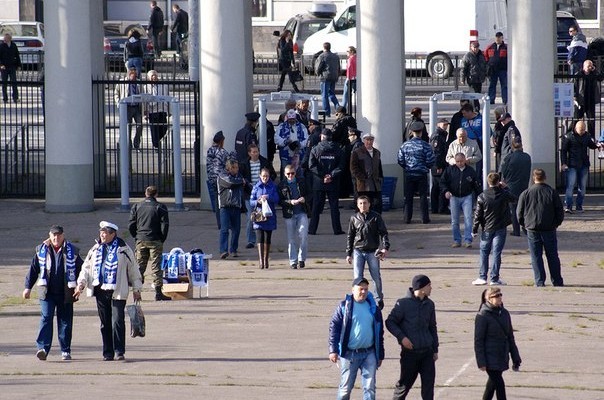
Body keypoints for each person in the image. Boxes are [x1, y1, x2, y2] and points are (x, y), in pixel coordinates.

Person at [75, 221, 143, 361]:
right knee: (105, 322)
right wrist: (80, 285)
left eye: (105, 232)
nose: (102, 235)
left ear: (113, 234)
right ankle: (108, 352)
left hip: (118, 290)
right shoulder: (95, 249)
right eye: (101, 232)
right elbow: (86, 269)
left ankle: (119, 351)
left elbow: (134, 270)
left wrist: (137, 288)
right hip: (100, 290)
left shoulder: (123, 249)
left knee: (117, 320)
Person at [23, 225, 84, 361]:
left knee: (65, 321)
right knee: (46, 317)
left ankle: (65, 350)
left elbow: (82, 269)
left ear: (63, 236)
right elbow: (33, 270)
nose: (56, 238)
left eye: (59, 235)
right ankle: (43, 348)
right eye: (54, 235)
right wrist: (27, 287)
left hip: (66, 292)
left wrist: (80, 286)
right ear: (50, 236)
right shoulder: (41, 250)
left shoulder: (72, 251)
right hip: (47, 292)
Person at [328, 277, 385, 400]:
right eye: (360, 289)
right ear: (353, 290)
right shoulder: (344, 307)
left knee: (370, 389)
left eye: (366, 289)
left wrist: (380, 354)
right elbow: (334, 328)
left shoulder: (373, 308)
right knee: (345, 389)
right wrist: (333, 350)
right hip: (350, 354)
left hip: (369, 353)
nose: (363, 292)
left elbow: (380, 333)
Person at [386, 274, 438, 400]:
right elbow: (390, 322)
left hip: (427, 352)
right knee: (404, 386)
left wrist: (435, 349)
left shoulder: (430, 304)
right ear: (421, 287)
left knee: (428, 389)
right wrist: (402, 337)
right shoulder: (403, 304)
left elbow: (432, 327)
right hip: (410, 353)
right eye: (429, 285)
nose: (431, 288)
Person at [517, 169, 565, 287]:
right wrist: (556, 223)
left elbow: (519, 213)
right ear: (545, 177)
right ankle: (557, 280)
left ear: (534, 178)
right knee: (552, 255)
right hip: (549, 228)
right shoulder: (551, 192)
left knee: (536, 256)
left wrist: (524, 225)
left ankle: (539, 281)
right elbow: (559, 210)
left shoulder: (526, 193)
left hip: (532, 228)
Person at [474, 287, 522, 400]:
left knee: (492, 385)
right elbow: (478, 340)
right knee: (499, 384)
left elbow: (510, 336)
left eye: (500, 295)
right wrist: (481, 361)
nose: (499, 297)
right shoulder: (483, 316)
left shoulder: (504, 313)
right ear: (488, 299)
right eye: (496, 296)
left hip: (502, 354)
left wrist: (515, 357)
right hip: (490, 356)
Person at [472, 173, 516, 286]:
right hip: (500, 227)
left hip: (487, 227)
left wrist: (474, 229)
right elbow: (514, 199)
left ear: (488, 182)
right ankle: (494, 278)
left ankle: (482, 277)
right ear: (498, 182)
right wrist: (505, 187)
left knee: (484, 252)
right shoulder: (503, 194)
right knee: (497, 253)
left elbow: (478, 214)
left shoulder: (482, 196)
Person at [346, 195, 390, 310]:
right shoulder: (354, 218)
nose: (363, 205)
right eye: (360, 203)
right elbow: (350, 236)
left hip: (372, 251)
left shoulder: (376, 217)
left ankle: (378, 299)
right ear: (357, 205)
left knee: (376, 277)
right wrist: (348, 253)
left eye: (365, 203)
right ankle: (357, 299)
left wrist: (385, 247)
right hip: (358, 251)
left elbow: (383, 233)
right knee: (357, 277)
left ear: (369, 204)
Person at [128, 185, 171, 301]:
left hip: (141, 239)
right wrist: (162, 238)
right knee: (156, 266)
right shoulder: (160, 207)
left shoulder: (137, 206)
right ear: (156, 194)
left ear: (145, 193)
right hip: (155, 240)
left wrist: (136, 236)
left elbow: (131, 224)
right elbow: (165, 225)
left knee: (139, 267)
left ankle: (137, 293)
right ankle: (158, 293)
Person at [308, 128, 345, 235]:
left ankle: (312, 229)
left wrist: (322, 175)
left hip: (319, 183)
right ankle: (337, 230)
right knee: (334, 207)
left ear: (322, 137)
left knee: (316, 207)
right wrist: (331, 175)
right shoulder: (338, 149)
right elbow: (341, 166)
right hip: (333, 183)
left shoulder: (315, 149)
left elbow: (311, 165)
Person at [397, 121, 435, 224]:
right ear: (421, 132)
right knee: (423, 197)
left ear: (411, 132)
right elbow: (431, 160)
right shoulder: (425, 145)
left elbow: (400, 160)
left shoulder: (405, 145)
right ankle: (424, 218)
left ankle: (407, 218)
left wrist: (407, 167)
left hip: (409, 174)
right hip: (422, 173)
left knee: (408, 197)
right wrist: (426, 167)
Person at [240, 143, 276, 249]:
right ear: (249, 153)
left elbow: (273, 174)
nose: (256, 154)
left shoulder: (264, 162)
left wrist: (268, 183)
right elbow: (241, 176)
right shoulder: (244, 164)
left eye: (257, 151)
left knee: (264, 216)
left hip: (263, 192)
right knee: (250, 217)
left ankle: (263, 239)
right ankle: (251, 240)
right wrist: (245, 182)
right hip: (249, 193)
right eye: (253, 152)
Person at [561, 120, 601, 213]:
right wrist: (563, 163)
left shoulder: (587, 136)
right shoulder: (569, 137)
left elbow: (591, 145)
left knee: (582, 187)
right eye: (581, 130)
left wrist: (598, 145)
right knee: (570, 186)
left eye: (584, 129)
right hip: (572, 164)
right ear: (575, 128)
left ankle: (579, 206)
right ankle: (568, 206)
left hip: (584, 164)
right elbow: (563, 151)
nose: (582, 131)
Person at [441, 153, 480, 248]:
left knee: (468, 219)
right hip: (454, 197)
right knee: (454, 220)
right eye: (457, 161)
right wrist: (446, 191)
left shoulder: (470, 171)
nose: (459, 163)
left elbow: (476, 184)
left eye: (461, 161)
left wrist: (480, 197)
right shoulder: (450, 170)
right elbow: (443, 182)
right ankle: (457, 240)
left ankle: (468, 240)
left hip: (467, 196)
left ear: (465, 160)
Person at [279, 164, 310, 269]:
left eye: (292, 173)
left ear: (295, 173)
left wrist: (304, 199)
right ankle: (293, 261)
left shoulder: (301, 182)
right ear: (284, 174)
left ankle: (301, 258)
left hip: (302, 212)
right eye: (288, 174)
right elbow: (279, 201)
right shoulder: (282, 185)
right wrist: (290, 202)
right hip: (289, 213)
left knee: (304, 235)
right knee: (291, 239)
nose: (290, 175)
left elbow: (310, 194)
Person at [499, 136, 532, 237]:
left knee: (514, 209)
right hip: (524, 185)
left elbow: (503, 171)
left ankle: (516, 230)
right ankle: (526, 228)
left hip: (511, 186)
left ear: (512, 146)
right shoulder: (527, 157)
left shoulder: (508, 158)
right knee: (524, 208)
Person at [250, 168, 279, 269]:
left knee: (267, 238)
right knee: (259, 237)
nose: (265, 178)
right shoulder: (256, 187)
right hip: (259, 215)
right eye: (263, 176)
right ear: (260, 176)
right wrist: (258, 201)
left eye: (266, 176)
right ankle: (261, 261)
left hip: (269, 215)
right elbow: (251, 201)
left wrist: (268, 197)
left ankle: (266, 260)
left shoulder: (273, 186)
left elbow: (277, 199)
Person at [217, 159, 246, 259]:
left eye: (237, 167)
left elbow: (244, 183)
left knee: (236, 230)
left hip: (236, 206)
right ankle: (223, 250)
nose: (237, 170)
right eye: (234, 167)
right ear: (229, 168)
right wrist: (241, 182)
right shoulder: (222, 175)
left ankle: (233, 249)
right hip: (225, 206)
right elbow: (230, 183)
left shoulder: (239, 176)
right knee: (224, 229)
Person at [351, 132, 384, 213]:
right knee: (362, 206)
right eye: (367, 140)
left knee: (377, 205)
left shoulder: (377, 152)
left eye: (371, 140)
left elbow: (379, 167)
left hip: (375, 184)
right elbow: (353, 168)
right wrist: (362, 178)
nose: (369, 142)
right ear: (364, 140)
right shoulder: (357, 152)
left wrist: (380, 178)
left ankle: (376, 222)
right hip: (363, 185)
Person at [206, 130, 230, 229]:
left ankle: (219, 223)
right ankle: (225, 223)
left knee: (216, 202)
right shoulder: (223, 152)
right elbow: (228, 165)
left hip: (211, 179)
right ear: (221, 141)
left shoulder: (209, 150)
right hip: (221, 180)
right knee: (224, 202)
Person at [114, 68, 143, 150]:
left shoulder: (138, 83)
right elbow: (116, 93)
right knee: (128, 126)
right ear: (129, 74)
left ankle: (136, 142)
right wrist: (118, 102)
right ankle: (128, 144)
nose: (134, 77)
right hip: (127, 107)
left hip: (137, 107)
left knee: (139, 125)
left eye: (135, 76)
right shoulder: (122, 82)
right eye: (132, 75)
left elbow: (142, 94)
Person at [573, 60, 603, 138]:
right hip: (581, 100)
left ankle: (591, 137)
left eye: (591, 66)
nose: (589, 68)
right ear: (584, 66)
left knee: (591, 120)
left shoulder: (593, 74)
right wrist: (575, 97)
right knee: (576, 118)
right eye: (588, 66)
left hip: (591, 100)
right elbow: (574, 86)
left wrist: (595, 70)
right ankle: (572, 134)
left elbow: (601, 78)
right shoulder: (578, 74)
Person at [275, 108, 309, 178]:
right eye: (290, 119)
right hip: (285, 155)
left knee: (299, 174)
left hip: (299, 155)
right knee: (286, 174)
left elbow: (306, 139)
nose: (291, 120)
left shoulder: (302, 127)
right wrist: (285, 142)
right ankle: (284, 187)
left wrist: (300, 144)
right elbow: (276, 139)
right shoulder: (281, 127)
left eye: (293, 119)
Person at [143, 69, 170, 148]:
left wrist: (169, 110)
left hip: (162, 109)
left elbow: (168, 97)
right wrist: (145, 112)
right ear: (149, 78)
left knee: (163, 128)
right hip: (152, 111)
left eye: (155, 75)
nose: (154, 77)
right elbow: (144, 101)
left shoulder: (163, 86)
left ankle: (161, 143)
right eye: (152, 76)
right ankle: (156, 145)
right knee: (154, 130)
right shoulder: (145, 87)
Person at [429, 118, 450, 214]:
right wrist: (438, 166)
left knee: (437, 186)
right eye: (444, 124)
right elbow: (436, 152)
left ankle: (436, 208)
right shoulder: (437, 136)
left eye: (446, 124)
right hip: (438, 165)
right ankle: (441, 208)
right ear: (438, 124)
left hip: (439, 164)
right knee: (440, 186)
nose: (446, 126)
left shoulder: (441, 135)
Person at [315, 42, 340, 117]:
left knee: (324, 95)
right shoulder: (335, 56)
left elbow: (318, 67)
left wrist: (317, 73)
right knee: (331, 93)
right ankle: (338, 108)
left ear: (324, 48)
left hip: (325, 77)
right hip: (334, 76)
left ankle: (327, 112)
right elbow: (338, 67)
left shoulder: (322, 56)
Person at [461, 41, 487, 110]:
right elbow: (463, 68)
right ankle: (476, 109)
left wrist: (486, 74)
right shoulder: (468, 56)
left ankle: (473, 108)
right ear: (471, 47)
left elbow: (484, 65)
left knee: (478, 95)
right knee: (473, 95)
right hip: (471, 79)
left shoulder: (481, 55)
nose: (476, 49)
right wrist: (462, 79)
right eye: (474, 47)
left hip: (479, 79)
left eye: (477, 47)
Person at [485, 32, 508, 105]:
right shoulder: (490, 47)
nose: (498, 39)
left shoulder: (506, 47)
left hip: (502, 69)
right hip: (493, 70)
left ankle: (505, 100)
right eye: (497, 37)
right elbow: (486, 56)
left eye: (499, 37)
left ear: (502, 38)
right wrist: (488, 65)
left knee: (504, 85)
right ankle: (491, 100)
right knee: (492, 85)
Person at [0, 32, 21, 103]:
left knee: (14, 82)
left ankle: (15, 98)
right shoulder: (1, 46)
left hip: (12, 66)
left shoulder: (13, 45)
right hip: (4, 67)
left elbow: (17, 55)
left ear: (10, 39)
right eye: (4, 38)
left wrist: (18, 65)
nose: (4, 39)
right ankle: (5, 98)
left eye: (6, 38)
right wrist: (1, 65)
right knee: (4, 83)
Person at [341, 46, 357, 111]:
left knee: (346, 94)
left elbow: (350, 68)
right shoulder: (357, 58)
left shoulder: (350, 59)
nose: (346, 53)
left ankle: (342, 109)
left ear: (352, 52)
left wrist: (348, 78)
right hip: (356, 78)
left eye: (348, 51)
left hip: (350, 78)